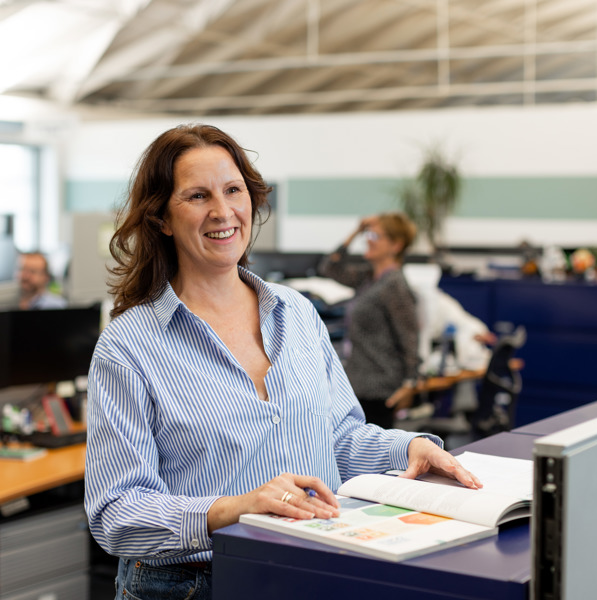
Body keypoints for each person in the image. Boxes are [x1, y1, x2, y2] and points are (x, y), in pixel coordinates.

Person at [84, 124, 481, 600]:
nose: (223, 211)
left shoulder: (296, 313)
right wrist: (234, 508)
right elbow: (116, 514)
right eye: (197, 196)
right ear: (162, 219)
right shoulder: (128, 347)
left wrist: (408, 448)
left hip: (308, 565)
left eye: (234, 190)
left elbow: (338, 436)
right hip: (192, 585)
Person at [318, 213, 420, 428]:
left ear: (396, 245)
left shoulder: (394, 285)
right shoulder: (368, 279)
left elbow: (410, 338)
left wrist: (410, 383)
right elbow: (329, 267)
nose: (369, 239)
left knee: (374, 458)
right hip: (359, 384)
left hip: (381, 389)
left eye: (376, 235)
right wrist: (356, 232)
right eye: (368, 234)